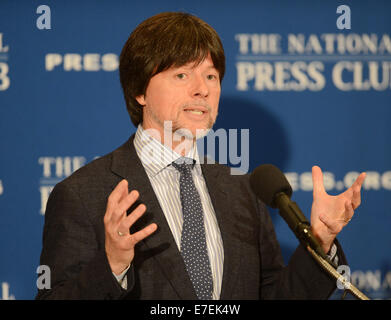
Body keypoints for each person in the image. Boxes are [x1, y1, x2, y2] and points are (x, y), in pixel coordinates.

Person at [36, 12, 366, 300]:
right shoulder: (83, 194)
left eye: (210, 76)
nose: (202, 89)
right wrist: (112, 265)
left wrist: (321, 241)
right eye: (182, 75)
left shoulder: (242, 189)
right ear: (140, 91)